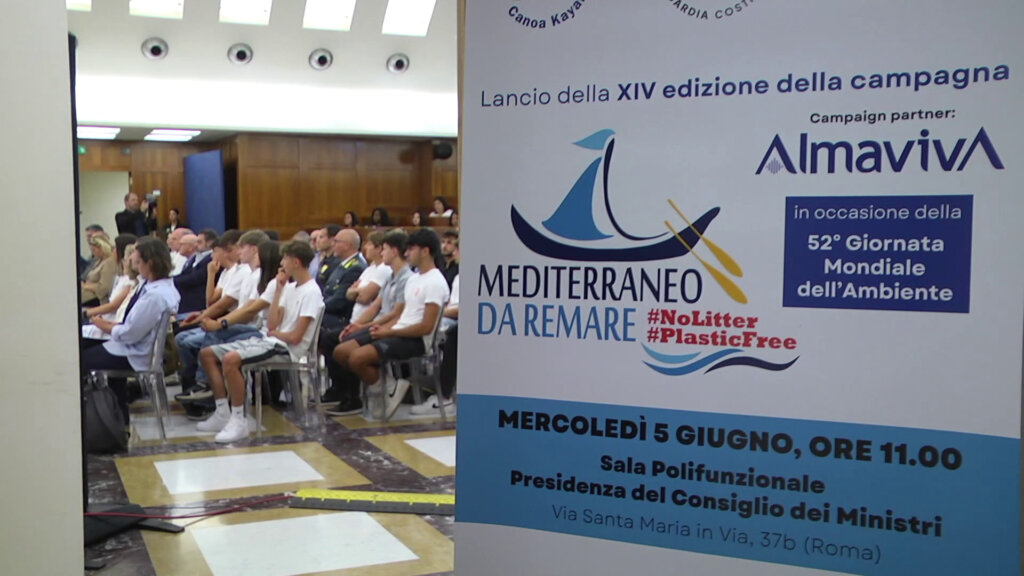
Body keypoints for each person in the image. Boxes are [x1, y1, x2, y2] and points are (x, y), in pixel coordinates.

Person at [196, 240, 324, 443]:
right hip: (271, 341)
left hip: (287, 349)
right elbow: (272, 323)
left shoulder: (311, 292)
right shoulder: (289, 288)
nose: (281, 263)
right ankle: (222, 412)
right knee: (208, 354)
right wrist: (279, 291)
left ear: (296, 262)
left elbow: (295, 337)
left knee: (230, 359)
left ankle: (239, 420)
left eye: (285, 259)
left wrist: (276, 333)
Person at [338, 228, 449, 419]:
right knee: (341, 351)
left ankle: (386, 389)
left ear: (425, 251)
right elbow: (402, 315)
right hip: (398, 331)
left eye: (411, 249)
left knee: (357, 358)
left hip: (416, 340)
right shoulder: (414, 279)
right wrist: (382, 328)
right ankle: (389, 386)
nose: (407, 253)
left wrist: (389, 333)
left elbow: (426, 327)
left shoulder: (435, 282)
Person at [80, 237, 180, 423]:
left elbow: (130, 334)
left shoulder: (155, 296)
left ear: (149, 262)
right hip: (131, 346)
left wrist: (105, 326)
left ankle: (99, 419)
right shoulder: (150, 286)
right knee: (83, 344)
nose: (131, 258)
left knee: (80, 360)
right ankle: (118, 417)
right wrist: (110, 326)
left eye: (135, 256)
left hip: (135, 353)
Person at [326, 230, 412, 415]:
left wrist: (367, 326)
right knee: (340, 349)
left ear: (395, 251)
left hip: (392, 327)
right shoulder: (391, 276)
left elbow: (397, 313)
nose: (381, 252)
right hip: (380, 323)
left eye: (385, 249)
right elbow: (374, 307)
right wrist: (356, 325)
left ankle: (383, 388)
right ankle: (380, 387)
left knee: (352, 354)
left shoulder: (406, 278)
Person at [82, 243, 141, 342]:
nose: (124, 262)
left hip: (111, 326)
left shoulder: (130, 284)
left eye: (126, 260)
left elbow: (114, 305)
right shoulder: (123, 278)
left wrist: (87, 313)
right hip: (107, 321)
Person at [173, 232, 211, 314]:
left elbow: (195, 278)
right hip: (186, 302)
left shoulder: (210, 259)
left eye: (199, 242)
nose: (196, 245)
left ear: (209, 243)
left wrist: (170, 281)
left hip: (197, 304)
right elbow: (184, 274)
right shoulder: (196, 257)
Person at [81, 235, 117, 306]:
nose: (93, 253)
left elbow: (104, 288)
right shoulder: (98, 261)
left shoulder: (109, 263)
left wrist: (86, 286)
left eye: (94, 250)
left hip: (98, 301)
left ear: (102, 248)